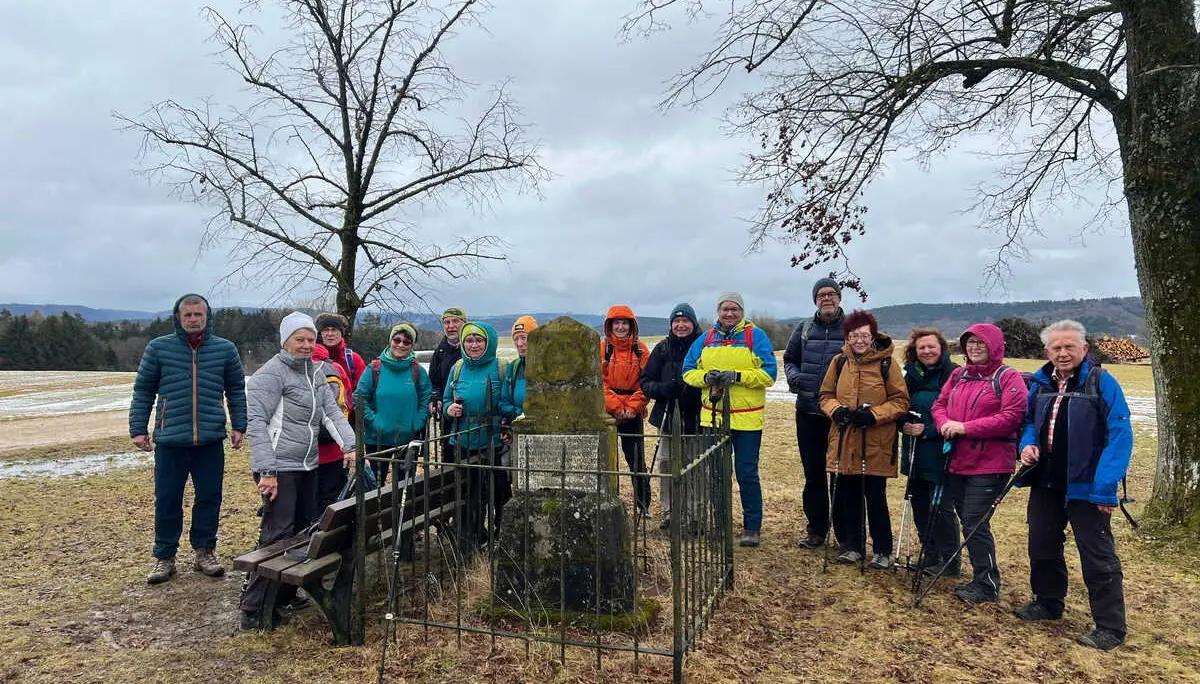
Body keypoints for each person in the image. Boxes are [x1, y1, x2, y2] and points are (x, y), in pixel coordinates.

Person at [1016, 319, 1133, 651]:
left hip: (1086, 484)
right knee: (1042, 545)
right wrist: (1025, 446)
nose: (1063, 352)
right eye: (1057, 347)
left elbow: (1120, 435)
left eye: (1070, 346)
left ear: (1085, 348)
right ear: (1047, 351)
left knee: (1096, 556)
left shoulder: (1101, 382)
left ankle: (1110, 626)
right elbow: (1027, 422)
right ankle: (1048, 602)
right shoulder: (1040, 384)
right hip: (1045, 480)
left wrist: (1105, 486)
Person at [240, 312, 356, 630]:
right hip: (279, 468)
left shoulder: (315, 372)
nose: (306, 345)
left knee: (304, 531)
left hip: (308, 464)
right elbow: (257, 424)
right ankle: (253, 608)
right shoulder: (270, 375)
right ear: (285, 341)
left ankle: (285, 595)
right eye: (299, 339)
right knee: (277, 535)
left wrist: (350, 445)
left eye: (309, 339)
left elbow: (331, 412)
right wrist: (266, 471)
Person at [129, 293, 247, 585]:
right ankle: (164, 557)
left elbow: (235, 390)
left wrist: (239, 425)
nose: (193, 319)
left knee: (209, 498)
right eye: (188, 315)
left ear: (207, 317)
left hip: (210, 440)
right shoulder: (158, 348)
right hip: (170, 440)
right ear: (178, 318)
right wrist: (138, 428)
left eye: (199, 314)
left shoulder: (225, 349)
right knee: (167, 499)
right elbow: (143, 391)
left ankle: (205, 551)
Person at [930, 323, 1026, 602]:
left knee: (974, 520)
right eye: (969, 343)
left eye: (980, 343)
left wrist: (965, 428)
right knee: (967, 518)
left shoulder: (1008, 378)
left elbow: (1012, 417)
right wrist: (945, 422)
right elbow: (939, 404)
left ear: (994, 346)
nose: (974, 348)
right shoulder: (959, 375)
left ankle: (986, 582)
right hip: (959, 459)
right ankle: (982, 577)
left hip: (992, 462)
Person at [682, 292, 777, 547]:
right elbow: (688, 371)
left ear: (741, 311)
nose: (729, 313)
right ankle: (720, 524)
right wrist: (706, 378)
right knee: (717, 474)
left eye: (734, 309)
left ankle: (752, 527)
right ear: (718, 311)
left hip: (747, 420)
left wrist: (737, 376)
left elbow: (769, 374)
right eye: (725, 309)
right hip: (713, 418)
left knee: (746, 473)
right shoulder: (706, 339)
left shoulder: (754, 336)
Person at [818, 309, 909, 567]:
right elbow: (825, 395)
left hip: (876, 441)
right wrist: (837, 410)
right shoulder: (839, 363)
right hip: (846, 439)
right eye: (854, 335)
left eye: (864, 335)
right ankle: (853, 545)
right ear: (847, 337)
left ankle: (882, 550)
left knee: (875, 497)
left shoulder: (886, 364)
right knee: (849, 495)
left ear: (872, 336)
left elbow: (900, 401)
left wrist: (875, 415)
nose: (859, 340)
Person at [783, 277, 847, 549]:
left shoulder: (852, 329)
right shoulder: (804, 328)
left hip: (841, 415)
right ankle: (817, 529)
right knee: (814, 474)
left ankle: (847, 537)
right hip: (808, 411)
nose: (827, 298)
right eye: (821, 295)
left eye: (831, 293)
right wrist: (796, 379)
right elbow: (789, 359)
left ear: (839, 297)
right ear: (815, 300)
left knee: (843, 476)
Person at [898, 328, 961, 575]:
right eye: (921, 347)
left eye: (931, 346)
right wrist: (901, 423)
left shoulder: (953, 374)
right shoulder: (911, 375)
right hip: (914, 449)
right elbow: (900, 403)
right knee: (920, 503)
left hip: (940, 450)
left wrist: (930, 430)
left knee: (942, 508)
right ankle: (930, 553)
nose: (926, 351)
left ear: (941, 348)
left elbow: (958, 413)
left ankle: (949, 559)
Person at [443, 321, 511, 545]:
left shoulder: (501, 368)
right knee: (469, 494)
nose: (473, 345)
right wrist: (449, 409)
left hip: (493, 440)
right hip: (463, 440)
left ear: (488, 342)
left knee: (499, 492)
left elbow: (508, 401)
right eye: (469, 340)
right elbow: (445, 399)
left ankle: (502, 534)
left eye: (479, 340)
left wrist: (505, 423)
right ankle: (473, 537)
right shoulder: (458, 368)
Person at [640, 303, 703, 530]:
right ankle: (670, 512)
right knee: (667, 465)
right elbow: (646, 382)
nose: (680, 325)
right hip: (666, 416)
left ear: (693, 324)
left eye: (685, 321)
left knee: (695, 466)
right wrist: (664, 389)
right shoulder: (662, 348)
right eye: (676, 321)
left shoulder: (703, 346)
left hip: (696, 416)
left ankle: (696, 514)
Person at [356, 322, 433, 484]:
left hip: (407, 438)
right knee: (374, 488)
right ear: (390, 341)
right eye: (397, 340)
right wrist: (376, 422)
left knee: (404, 486)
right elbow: (359, 399)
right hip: (376, 438)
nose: (400, 345)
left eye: (406, 342)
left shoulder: (418, 371)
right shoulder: (374, 369)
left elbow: (426, 400)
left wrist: (416, 423)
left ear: (412, 345)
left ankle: (398, 510)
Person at [601, 305, 652, 516]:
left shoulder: (640, 349)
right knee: (605, 460)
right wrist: (615, 407)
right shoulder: (602, 348)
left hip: (632, 411)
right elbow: (597, 381)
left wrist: (631, 408)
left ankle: (643, 505)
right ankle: (605, 500)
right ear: (609, 326)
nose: (621, 327)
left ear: (632, 325)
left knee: (637, 461)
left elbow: (646, 382)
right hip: (608, 411)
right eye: (616, 323)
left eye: (625, 323)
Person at [311, 343, 354, 510]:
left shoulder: (291, 369)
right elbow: (347, 404)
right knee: (332, 501)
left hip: (301, 453)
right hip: (334, 449)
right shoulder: (336, 369)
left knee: (306, 502)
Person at [429, 307, 468, 437]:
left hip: (471, 415)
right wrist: (437, 399)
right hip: (448, 415)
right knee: (449, 454)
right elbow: (434, 382)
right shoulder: (439, 353)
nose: (451, 326)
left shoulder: (474, 348)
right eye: (446, 322)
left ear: (464, 323)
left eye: (455, 321)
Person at [315, 312, 366, 390]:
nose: (330, 334)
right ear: (320, 334)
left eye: (334, 330)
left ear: (341, 333)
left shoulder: (353, 359)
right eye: (325, 330)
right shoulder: (311, 356)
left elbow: (362, 391)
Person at [501, 315, 539, 420]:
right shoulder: (514, 367)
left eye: (523, 338)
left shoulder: (548, 367)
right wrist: (520, 415)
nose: (519, 344)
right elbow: (504, 403)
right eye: (516, 339)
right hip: (519, 428)